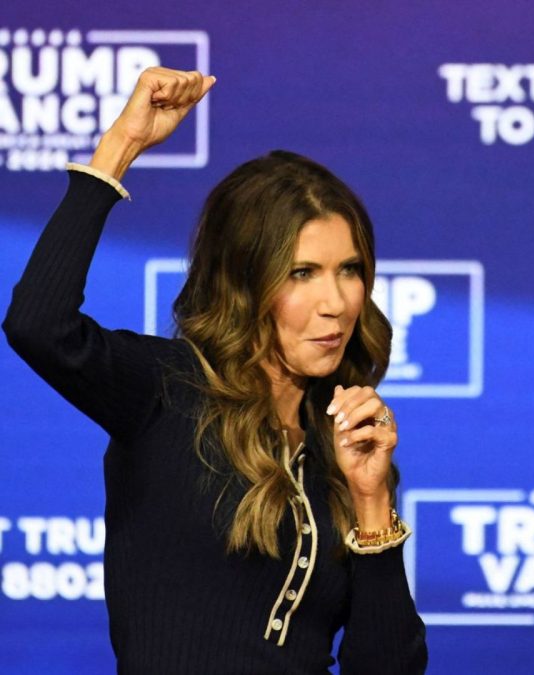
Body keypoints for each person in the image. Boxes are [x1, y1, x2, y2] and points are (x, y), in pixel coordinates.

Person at [3, 67, 427, 673]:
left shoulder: (347, 448)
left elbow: (386, 667)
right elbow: (37, 324)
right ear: (245, 282)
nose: (337, 301)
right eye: (302, 272)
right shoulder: (165, 390)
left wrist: (370, 503)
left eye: (351, 269)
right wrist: (120, 147)